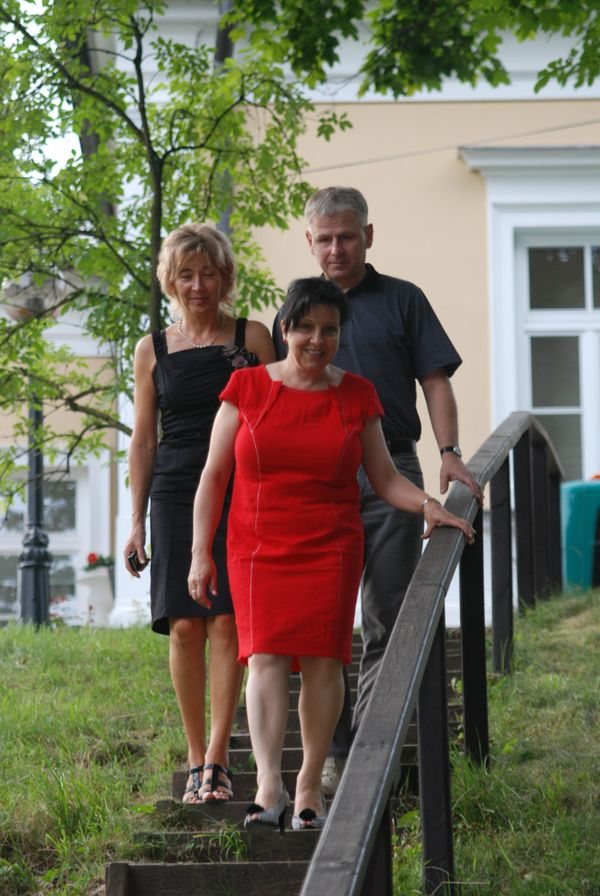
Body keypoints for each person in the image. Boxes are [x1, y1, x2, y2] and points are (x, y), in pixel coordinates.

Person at [188, 277, 475, 831]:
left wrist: (428, 506)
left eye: (330, 330)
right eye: (305, 328)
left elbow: (384, 477)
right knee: (265, 658)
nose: (317, 340)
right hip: (256, 546)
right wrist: (201, 553)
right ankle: (268, 784)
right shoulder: (246, 387)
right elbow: (213, 477)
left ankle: (308, 785)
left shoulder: (358, 395)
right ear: (284, 329)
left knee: (324, 661)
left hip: (330, 545)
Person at [272, 187, 483, 796]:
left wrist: (449, 452)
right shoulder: (299, 306)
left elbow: (435, 380)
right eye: (325, 239)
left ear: (368, 235)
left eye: (347, 236)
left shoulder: (403, 299)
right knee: (323, 622)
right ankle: (331, 753)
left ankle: (368, 752)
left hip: (392, 465)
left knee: (387, 615)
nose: (336, 249)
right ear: (308, 242)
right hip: (318, 476)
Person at [124, 222, 275, 805]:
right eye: (185, 274)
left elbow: (275, 420)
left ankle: (219, 756)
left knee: (226, 621)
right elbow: (144, 439)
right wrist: (136, 520)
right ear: (170, 281)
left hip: (239, 486)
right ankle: (194, 759)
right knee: (184, 625)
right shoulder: (152, 349)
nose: (197, 285)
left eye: (208, 273)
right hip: (173, 489)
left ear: (225, 277)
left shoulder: (252, 338)